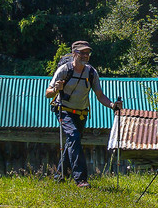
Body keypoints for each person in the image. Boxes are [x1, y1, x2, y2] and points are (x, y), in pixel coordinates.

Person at [45, 42, 121, 188]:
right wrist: (56, 89)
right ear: (74, 53)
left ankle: (60, 176)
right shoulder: (64, 70)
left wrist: (112, 105)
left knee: (73, 142)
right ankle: (81, 179)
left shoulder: (91, 72)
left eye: (87, 53)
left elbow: (99, 95)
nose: (85, 56)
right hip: (63, 110)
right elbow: (48, 94)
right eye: (82, 53)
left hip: (81, 113)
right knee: (74, 136)